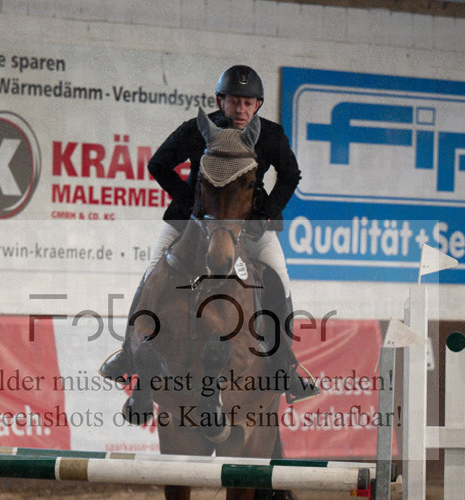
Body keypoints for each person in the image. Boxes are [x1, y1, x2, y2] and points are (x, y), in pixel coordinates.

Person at [100, 65, 319, 403]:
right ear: (221, 101)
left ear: (258, 105)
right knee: (152, 270)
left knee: (279, 278)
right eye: (235, 102)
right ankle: (127, 354)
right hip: (191, 224)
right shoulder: (197, 130)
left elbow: (290, 175)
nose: (241, 110)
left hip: (250, 225)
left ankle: (284, 366)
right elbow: (158, 163)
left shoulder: (270, 135)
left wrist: (266, 213)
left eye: (249, 104)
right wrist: (191, 203)